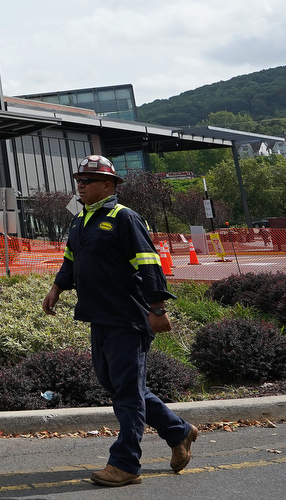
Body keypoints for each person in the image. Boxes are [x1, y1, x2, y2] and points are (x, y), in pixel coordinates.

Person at [42, 155, 197, 487]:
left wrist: (157, 308)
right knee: (118, 385)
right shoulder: (80, 220)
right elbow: (71, 258)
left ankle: (126, 464)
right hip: (98, 316)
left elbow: (149, 261)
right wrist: (56, 288)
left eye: (88, 180)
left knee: (127, 393)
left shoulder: (124, 218)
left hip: (128, 318)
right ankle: (178, 431)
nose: (80, 185)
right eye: (78, 180)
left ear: (108, 185)